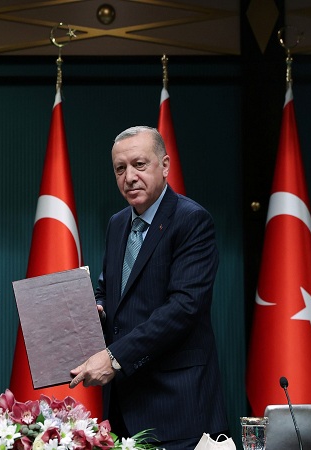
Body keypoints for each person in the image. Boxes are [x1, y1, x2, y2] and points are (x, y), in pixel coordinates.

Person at [70, 126, 228, 450]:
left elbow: (182, 309)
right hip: (122, 412)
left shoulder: (192, 221)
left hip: (177, 411)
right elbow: (108, 290)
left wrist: (114, 358)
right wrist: (98, 310)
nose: (129, 177)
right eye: (120, 168)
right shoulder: (117, 224)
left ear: (165, 165)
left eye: (139, 164)